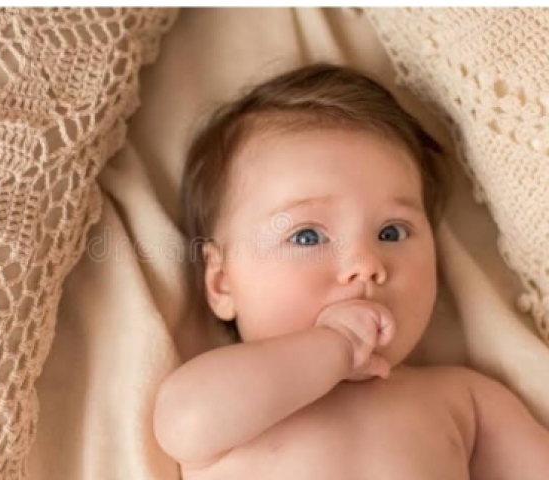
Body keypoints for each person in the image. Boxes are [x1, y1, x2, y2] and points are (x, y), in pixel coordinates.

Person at [153, 63, 549, 479]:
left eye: (392, 232)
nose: (365, 263)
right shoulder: (223, 399)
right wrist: (333, 349)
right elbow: (184, 424)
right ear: (221, 283)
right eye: (308, 237)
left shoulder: (464, 400)